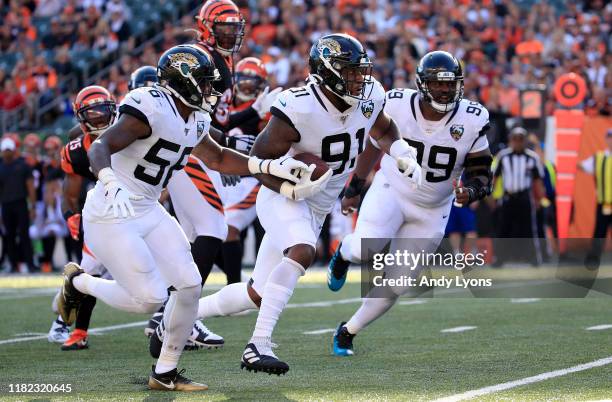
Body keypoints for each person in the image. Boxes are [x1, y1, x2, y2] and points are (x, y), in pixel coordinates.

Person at [57, 44, 307, 391]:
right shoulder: (150, 105)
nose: (211, 90)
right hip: (112, 208)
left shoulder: (196, 116)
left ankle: (165, 372)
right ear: (183, 81)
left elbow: (218, 157)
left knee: (189, 285)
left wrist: (265, 166)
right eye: (204, 82)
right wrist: (108, 178)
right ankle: (78, 282)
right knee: (149, 298)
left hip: (147, 207)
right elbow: (101, 147)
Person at [193, 33, 422, 375]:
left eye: (360, 71)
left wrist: (402, 152)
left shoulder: (370, 94)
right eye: (350, 72)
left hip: (319, 205)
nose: (360, 79)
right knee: (302, 250)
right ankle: (258, 345)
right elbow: (258, 159)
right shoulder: (298, 106)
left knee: (256, 294)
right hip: (283, 196)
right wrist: (288, 186)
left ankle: (182, 314)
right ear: (327, 73)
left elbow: (384, 129)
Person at [326, 51, 493, 356]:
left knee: (398, 283)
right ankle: (344, 254)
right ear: (422, 83)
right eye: (437, 83)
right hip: (392, 188)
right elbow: (374, 147)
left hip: (433, 209)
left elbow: (482, 170)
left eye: (449, 84)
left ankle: (348, 331)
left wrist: (471, 190)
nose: (444, 90)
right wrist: (356, 186)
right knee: (367, 247)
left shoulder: (472, 118)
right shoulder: (397, 103)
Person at [47, 85, 117, 350]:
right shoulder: (76, 150)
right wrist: (71, 216)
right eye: (92, 112)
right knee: (90, 271)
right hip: (104, 209)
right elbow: (70, 193)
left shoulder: (131, 129)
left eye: (103, 110)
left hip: (138, 205)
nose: (99, 117)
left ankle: (178, 322)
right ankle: (70, 326)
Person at [221, 56, 270, 284]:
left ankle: (239, 287)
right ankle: (238, 283)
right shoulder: (224, 106)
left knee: (232, 228)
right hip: (222, 178)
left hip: (253, 180)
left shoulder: (266, 109)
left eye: (253, 82)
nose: (247, 86)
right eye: (244, 80)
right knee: (212, 233)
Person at [492, 126, 546, 266]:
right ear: (510, 140)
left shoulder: (532, 157)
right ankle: (499, 259)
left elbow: (537, 180)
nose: (517, 142)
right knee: (503, 228)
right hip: (508, 197)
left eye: (520, 139)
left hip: (524, 197)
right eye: (515, 139)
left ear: (524, 141)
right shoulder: (503, 156)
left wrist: (539, 198)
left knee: (529, 229)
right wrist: (491, 196)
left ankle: (533, 258)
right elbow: (494, 177)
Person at [0, 137, 37, 273]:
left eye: (8, 150)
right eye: (4, 150)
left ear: (13, 150)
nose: (6, 153)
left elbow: (30, 187)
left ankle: (30, 264)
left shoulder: (23, 165)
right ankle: (13, 265)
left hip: (21, 203)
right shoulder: (0, 167)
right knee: (9, 236)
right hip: (6, 205)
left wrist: (32, 206)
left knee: (24, 235)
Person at [579, 129, 612, 269]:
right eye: (610, 137)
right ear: (606, 139)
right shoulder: (598, 157)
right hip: (604, 203)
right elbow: (582, 166)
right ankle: (593, 260)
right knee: (599, 232)